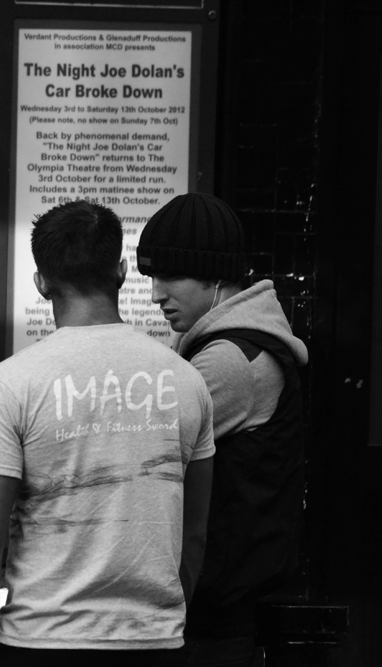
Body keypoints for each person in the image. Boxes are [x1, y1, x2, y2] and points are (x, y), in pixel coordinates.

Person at [0, 200, 216, 667]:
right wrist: (162, 627)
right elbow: (193, 533)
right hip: (154, 647)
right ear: (121, 272)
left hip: (40, 644)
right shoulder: (187, 382)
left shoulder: (9, 383)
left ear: (41, 283)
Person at [138, 192, 308, 666]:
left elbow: (141, 452)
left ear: (214, 275)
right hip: (222, 608)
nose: (156, 294)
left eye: (170, 276)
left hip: (214, 620)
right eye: (151, 277)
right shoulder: (234, 344)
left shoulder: (231, 361)